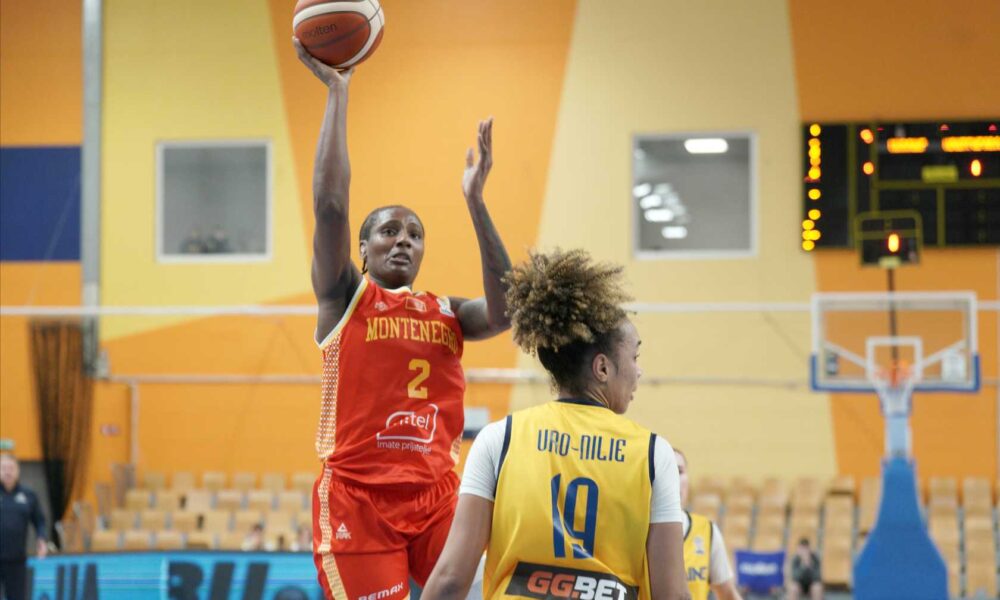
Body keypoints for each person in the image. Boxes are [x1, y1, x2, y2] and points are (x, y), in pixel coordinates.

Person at [293, 38, 512, 599]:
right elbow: (331, 208)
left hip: (437, 496)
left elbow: (507, 309)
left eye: (414, 234)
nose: (403, 241)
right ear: (363, 250)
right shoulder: (345, 297)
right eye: (389, 231)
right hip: (359, 499)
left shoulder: (449, 312)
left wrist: (476, 201)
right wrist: (338, 92)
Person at [421, 249, 691, 600]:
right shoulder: (653, 455)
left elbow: (450, 580)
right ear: (603, 368)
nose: (639, 371)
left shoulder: (499, 439)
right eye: (634, 357)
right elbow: (672, 595)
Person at [672, 449, 743, 600]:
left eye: (679, 471)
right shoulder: (639, 532)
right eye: (666, 471)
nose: (674, 478)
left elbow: (728, 594)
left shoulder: (706, 531)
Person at [0, 453, 47, 600]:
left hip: (17, 561)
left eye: (11, 468)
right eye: (3, 468)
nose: (7, 472)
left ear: (18, 470)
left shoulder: (29, 495)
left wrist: (41, 538)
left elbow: (39, 521)